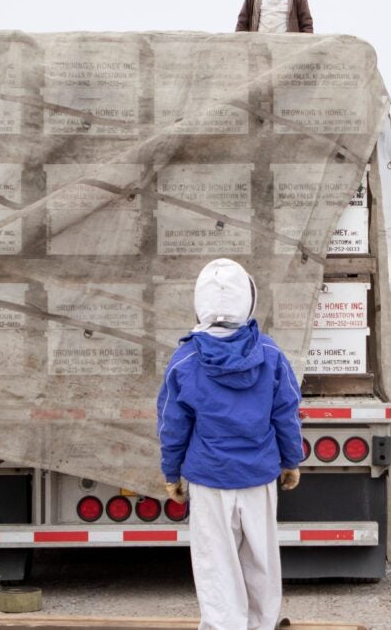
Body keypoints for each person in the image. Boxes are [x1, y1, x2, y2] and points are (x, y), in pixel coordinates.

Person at [157, 258, 304, 630]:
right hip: (258, 477)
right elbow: (286, 413)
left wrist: (171, 473)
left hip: (209, 480)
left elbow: (173, 425)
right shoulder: (271, 355)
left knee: (216, 565)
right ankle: (262, 624)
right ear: (248, 301)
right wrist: (291, 461)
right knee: (261, 562)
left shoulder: (185, 359)